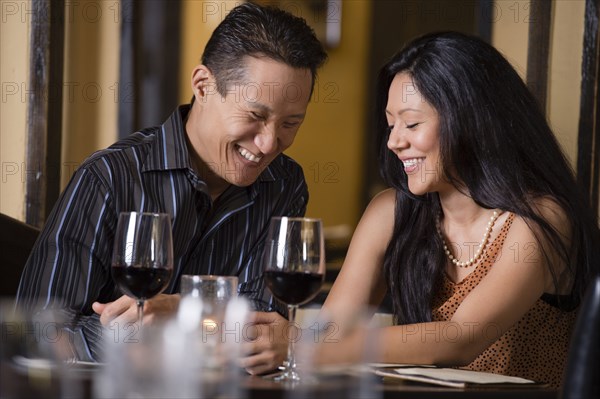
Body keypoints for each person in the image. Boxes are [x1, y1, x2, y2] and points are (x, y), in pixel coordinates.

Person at [246, 31, 600, 386]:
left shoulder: (539, 220)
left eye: (412, 124)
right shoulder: (391, 212)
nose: (394, 141)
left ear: (472, 120)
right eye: (390, 124)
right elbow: (333, 332)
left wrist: (301, 347)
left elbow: (460, 338)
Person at [16, 2, 327, 362]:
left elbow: (263, 328)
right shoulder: (109, 178)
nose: (270, 143)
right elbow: (37, 333)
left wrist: (183, 311)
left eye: (290, 124)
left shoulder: (284, 184)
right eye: (255, 115)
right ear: (203, 85)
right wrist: (198, 326)